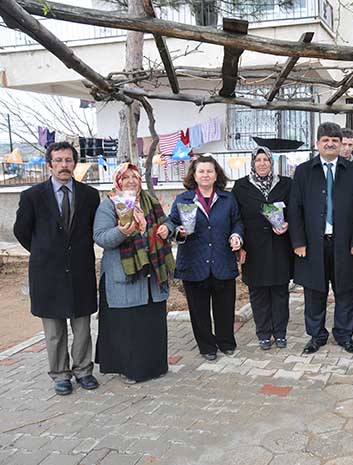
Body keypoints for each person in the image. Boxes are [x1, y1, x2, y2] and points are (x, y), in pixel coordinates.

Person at [13, 141, 101, 395]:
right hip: (47, 272)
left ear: (75, 164)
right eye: (59, 160)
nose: (64, 165)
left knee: (82, 326)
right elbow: (22, 231)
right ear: (49, 164)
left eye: (68, 160)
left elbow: (93, 229)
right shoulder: (32, 196)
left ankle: (84, 370)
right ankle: (60, 374)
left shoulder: (89, 195)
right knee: (54, 331)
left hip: (81, 269)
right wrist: (45, 251)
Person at [288, 122, 353, 355]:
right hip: (313, 244)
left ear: (342, 144)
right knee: (314, 291)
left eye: (335, 140)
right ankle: (316, 335)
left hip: (344, 243)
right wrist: (298, 242)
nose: (330, 143)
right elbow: (295, 209)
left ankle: (344, 335)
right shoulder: (303, 171)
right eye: (325, 140)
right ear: (317, 144)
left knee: (345, 291)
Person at [93, 163, 175, 383]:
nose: (131, 181)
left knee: (152, 324)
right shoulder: (109, 205)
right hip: (126, 275)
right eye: (125, 177)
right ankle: (130, 370)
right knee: (129, 327)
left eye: (135, 177)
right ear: (118, 180)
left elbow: (167, 222)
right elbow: (101, 237)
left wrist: (168, 229)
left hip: (153, 275)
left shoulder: (150, 201)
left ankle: (156, 367)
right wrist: (121, 231)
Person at [169, 155, 244, 361]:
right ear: (194, 175)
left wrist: (237, 235)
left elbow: (237, 222)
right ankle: (207, 346)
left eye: (209, 171)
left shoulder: (228, 199)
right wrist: (179, 232)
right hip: (194, 262)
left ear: (216, 174)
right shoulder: (183, 200)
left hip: (222, 260)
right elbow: (172, 223)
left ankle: (226, 342)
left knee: (225, 307)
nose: (205, 175)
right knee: (199, 310)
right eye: (201, 171)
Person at [232, 146, 293, 350]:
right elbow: (236, 217)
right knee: (258, 293)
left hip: (280, 247)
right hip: (254, 248)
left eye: (266, 159)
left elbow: (294, 211)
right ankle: (264, 333)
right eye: (258, 160)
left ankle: (281, 333)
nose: (262, 164)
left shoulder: (286, 184)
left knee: (280, 292)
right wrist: (238, 243)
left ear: (271, 161)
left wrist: (287, 225)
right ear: (252, 163)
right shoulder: (241, 187)